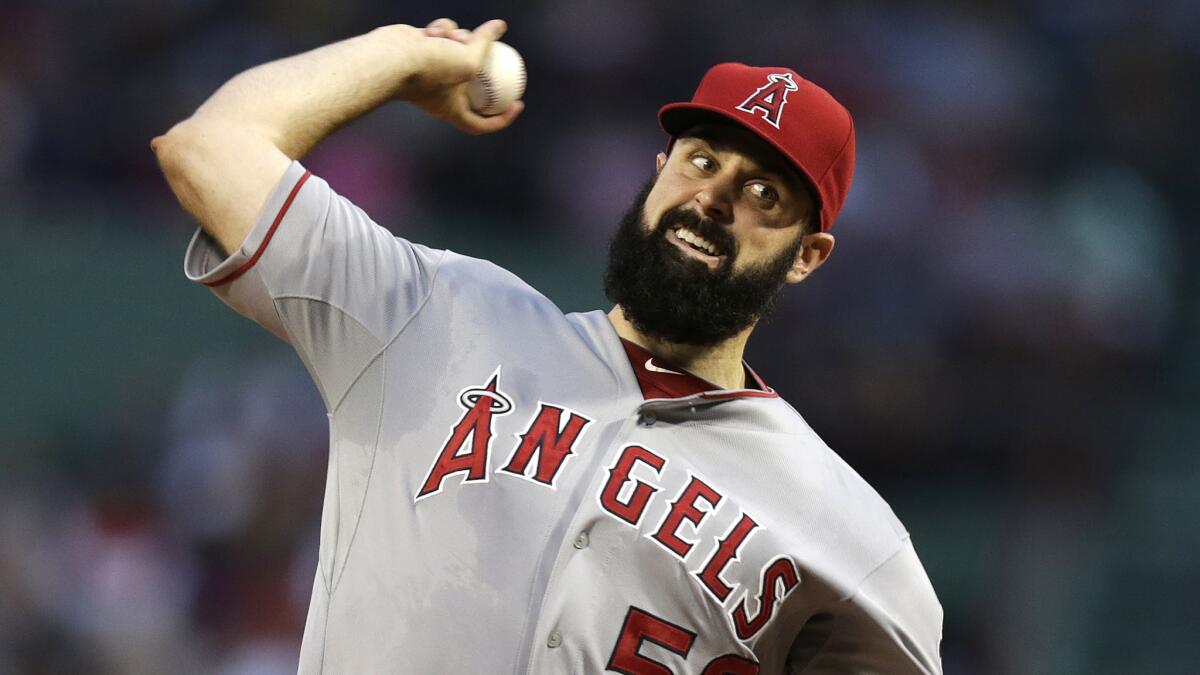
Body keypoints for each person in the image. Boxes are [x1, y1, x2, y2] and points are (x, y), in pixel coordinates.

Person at [153, 17, 943, 675]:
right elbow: (210, 148)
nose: (714, 198)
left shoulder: (851, 539)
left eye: (764, 193)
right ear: (660, 167)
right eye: (702, 160)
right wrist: (403, 56)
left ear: (808, 253)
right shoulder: (437, 313)